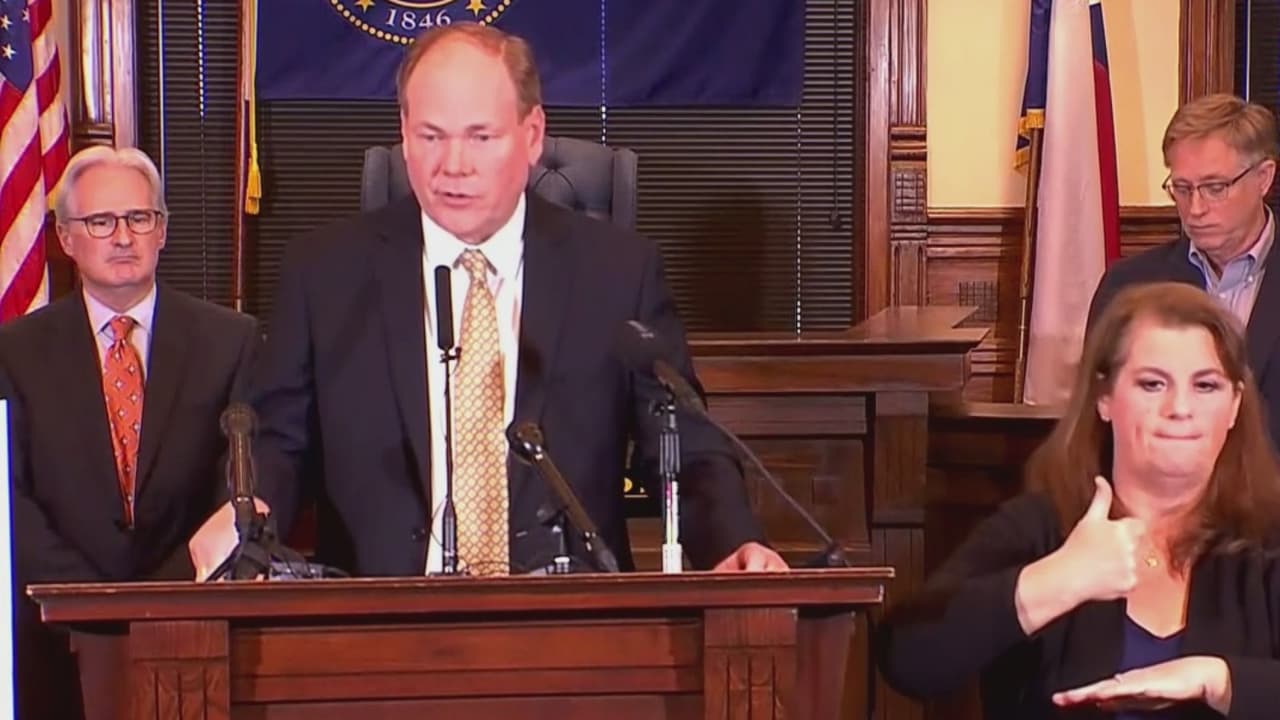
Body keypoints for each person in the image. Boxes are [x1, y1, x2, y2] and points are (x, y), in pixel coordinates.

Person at [189, 24, 784, 578]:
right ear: (404, 133)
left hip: (575, 617)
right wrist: (247, 512)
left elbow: (683, 443)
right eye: (431, 136)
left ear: (532, 135)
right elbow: (276, 440)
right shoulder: (325, 274)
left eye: (480, 137)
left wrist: (731, 544)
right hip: (378, 618)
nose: (454, 166)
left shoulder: (616, 273)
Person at [879, 282, 1280, 719]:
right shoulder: (1040, 527)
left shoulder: (1269, 539)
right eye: (1152, 384)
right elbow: (909, 658)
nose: (1180, 408)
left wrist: (1220, 681)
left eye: (1205, 386)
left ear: (1235, 404)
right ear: (1104, 398)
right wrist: (1060, 579)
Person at [0, 146, 258, 719]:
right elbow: (11, 500)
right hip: (53, 634)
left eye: (139, 218)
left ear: (162, 230)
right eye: (100, 221)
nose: (122, 237)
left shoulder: (229, 342)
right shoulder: (15, 353)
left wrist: (163, 599)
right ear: (66, 237)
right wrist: (89, 603)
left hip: (192, 630)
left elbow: (238, 485)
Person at [1088, 94, 1280, 449]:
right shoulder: (1129, 286)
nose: (1195, 208)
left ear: (1263, 178)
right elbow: (1097, 428)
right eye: (1182, 188)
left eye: (1215, 188)